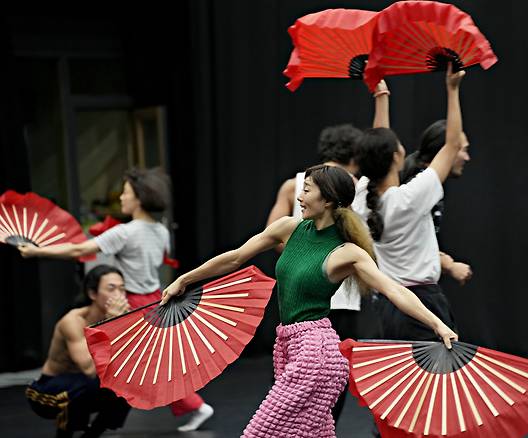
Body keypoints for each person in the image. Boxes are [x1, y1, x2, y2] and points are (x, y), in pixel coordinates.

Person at [160, 164, 458, 438]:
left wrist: (437, 324)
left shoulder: (347, 252)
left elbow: (393, 290)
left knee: (259, 433)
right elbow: (235, 257)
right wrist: (184, 280)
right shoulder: (288, 228)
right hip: (288, 346)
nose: (299, 196)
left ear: (327, 200)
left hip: (316, 354)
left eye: (307, 189)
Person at [19, 168, 214, 432]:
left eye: (126, 193)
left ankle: (195, 405)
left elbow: (80, 250)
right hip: (156, 299)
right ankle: (193, 405)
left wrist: (36, 251)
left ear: (140, 199)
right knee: (151, 366)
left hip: (130, 304)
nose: (121, 198)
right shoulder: (160, 231)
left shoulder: (126, 232)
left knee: (135, 369)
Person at [352, 64, 465, 340]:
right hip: (423, 302)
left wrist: (381, 96)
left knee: (402, 380)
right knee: (434, 381)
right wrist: (452, 90)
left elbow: (379, 143)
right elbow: (451, 146)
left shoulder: (361, 196)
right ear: (396, 157)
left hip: (388, 303)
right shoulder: (409, 199)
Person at [266, 124, 363, 423]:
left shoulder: (292, 184)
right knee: (318, 401)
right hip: (340, 300)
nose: (302, 196)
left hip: (308, 307)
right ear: (355, 155)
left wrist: (304, 263)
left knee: (302, 401)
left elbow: (275, 239)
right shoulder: (357, 185)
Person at [25, 265, 131, 438]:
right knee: (84, 384)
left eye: (122, 288)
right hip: (47, 392)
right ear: (92, 294)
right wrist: (111, 324)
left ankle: (92, 435)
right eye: (111, 288)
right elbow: (89, 369)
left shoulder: (119, 317)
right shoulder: (73, 321)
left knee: (129, 383)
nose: (119, 295)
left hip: (81, 388)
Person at [400, 119, 473, 288]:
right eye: (463, 150)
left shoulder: (427, 186)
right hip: (409, 290)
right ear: (446, 151)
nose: (467, 157)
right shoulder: (420, 189)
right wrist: (448, 264)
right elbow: (410, 244)